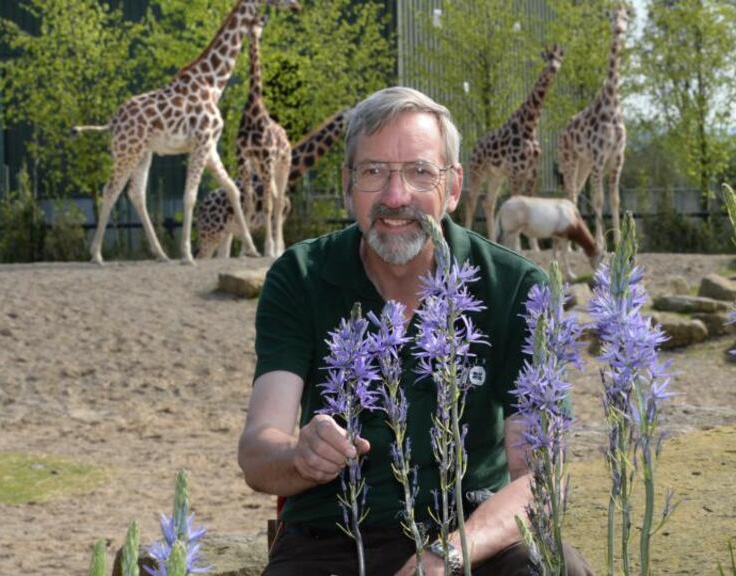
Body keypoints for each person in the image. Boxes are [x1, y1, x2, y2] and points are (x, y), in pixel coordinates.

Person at [238, 86, 593, 576]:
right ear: (348, 184)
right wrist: (300, 456)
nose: (395, 196)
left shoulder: (516, 287)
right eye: (373, 171)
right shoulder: (300, 276)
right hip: (333, 536)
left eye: (420, 172)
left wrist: (445, 556)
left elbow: (541, 480)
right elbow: (258, 454)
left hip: (476, 532)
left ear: (452, 187)